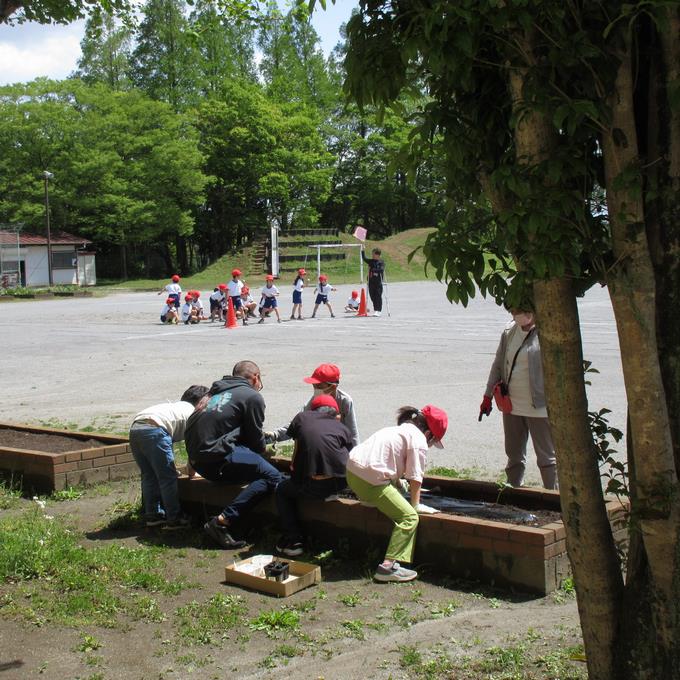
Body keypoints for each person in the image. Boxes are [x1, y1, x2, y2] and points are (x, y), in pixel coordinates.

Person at [184, 361, 284, 548]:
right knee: (273, 476)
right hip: (216, 459)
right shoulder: (252, 397)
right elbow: (255, 440)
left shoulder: (212, 393)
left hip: (198, 461)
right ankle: (222, 522)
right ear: (256, 377)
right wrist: (265, 451)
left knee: (258, 471)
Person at [346, 404, 448, 582]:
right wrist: (415, 506)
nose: (430, 445)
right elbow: (416, 477)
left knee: (386, 496)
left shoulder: (395, 430)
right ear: (429, 434)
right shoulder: (419, 441)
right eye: (432, 441)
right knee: (409, 518)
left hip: (352, 474)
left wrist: (398, 482)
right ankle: (388, 567)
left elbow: (384, 459)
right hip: (371, 481)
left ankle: (368, 499)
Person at [479, 308, 557, 489]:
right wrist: (487, 395)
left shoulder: (546, 331)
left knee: (546, 457)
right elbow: (498, 364)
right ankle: (514, 491)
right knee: (514, 454)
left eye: (525, 310)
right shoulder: (509, 331)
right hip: (511, 404)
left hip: (538, 405)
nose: (521, 314)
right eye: (516, 311)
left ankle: (553, 497)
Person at [275, 394, 353, 557]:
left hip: (313, 485)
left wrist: (296, 477)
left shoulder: (302, 418)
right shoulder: (343, 428)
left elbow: (295, 457)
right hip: (341, 483)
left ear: (313, 410)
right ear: (336, 414)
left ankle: (293, 539)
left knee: (282, 489)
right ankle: (331, 493)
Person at [129, 384, 208, 529]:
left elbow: (168, 435)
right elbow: (193, 447)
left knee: (149, 475)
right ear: (200, 402)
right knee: (168, 477)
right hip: (155, 429)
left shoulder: (176, 407)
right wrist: (191, 471)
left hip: (136, 427)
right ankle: (175, 518)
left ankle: (153, 515)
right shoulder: (194, 413)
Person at [267, 363, 360, 448]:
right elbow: (297, 424)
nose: (316, 389)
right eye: (314, 386)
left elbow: (353, 434)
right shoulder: (313, 402)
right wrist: (275, 434)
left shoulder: (345, 401)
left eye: (319, 386)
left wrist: (355, 456)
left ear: (333, 386)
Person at [361, 247, 385, 317]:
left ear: (378, 255)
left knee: (378, 296)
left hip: (378, 282)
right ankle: (375, 310)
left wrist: (372, 269)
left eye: (373, 254)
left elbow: (381, 270)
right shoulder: (371, 261)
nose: (372, 255)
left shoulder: (381, 262)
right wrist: (363, 251)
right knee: (372, 296)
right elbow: (364, 258)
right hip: (371, 282)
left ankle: (378, 310)